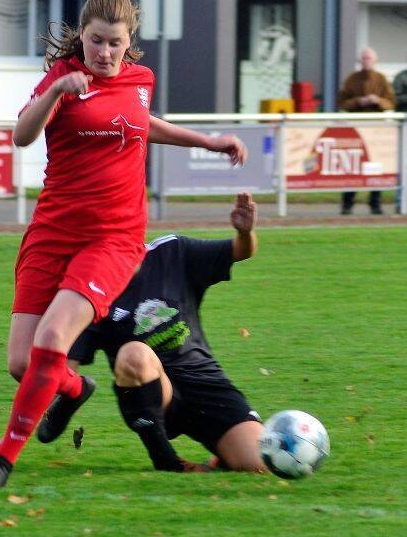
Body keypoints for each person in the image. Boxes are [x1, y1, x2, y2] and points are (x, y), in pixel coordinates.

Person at [0, 0, 248, 490]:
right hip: (52, 232)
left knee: (54, 340)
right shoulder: (63, 78)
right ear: (83, 36)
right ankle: (73, 390)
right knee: (23, 363)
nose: (105, 53)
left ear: (129, 40)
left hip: (113, 239)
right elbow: (22, 135)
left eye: (115, 43)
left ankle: (2, 461)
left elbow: (138, 123)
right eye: (96, 42)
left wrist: (207, 140)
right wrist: (54, 93)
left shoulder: (141, 81)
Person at [37, 192, 266, 474]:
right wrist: (23, 425)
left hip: (205, 382)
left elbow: (241, 251)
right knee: (134, 354)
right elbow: (63, 368)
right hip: (155, 397)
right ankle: (167, 461)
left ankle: (223, 457)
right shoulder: (91, 291)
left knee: (260, 465)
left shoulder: (174, 252)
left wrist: (245, 232)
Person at [336, 47, 396, 215]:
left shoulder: (382, 79)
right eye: (364, 58)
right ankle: (347, 204)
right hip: (356, 131)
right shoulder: (351, 80)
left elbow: (391, 103)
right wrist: (358, 102)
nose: (366, 61)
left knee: (376, 168)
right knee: (353, 169)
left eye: (369, 58)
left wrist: (378, 101)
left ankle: (375, 204)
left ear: (375, 60)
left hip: (376, 131)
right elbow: (341, 102)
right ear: (359, 61)